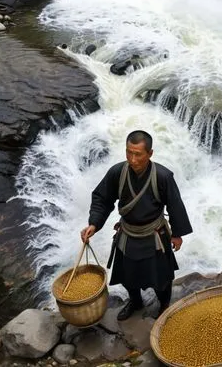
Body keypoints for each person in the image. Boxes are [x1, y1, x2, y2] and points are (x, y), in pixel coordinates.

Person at [81, 130, 192, 320]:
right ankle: (136, 301)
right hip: (128, 234)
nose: (132, 159)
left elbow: (175, 204)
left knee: (161, 280)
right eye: (128, 152)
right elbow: (102, 198)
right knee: (127, 276)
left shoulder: (163, 176)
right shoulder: (117, 172)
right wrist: (94, 223)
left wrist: (177, 234)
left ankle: (164, 306)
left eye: (138, 154)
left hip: (154, 234)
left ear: (150, 153)